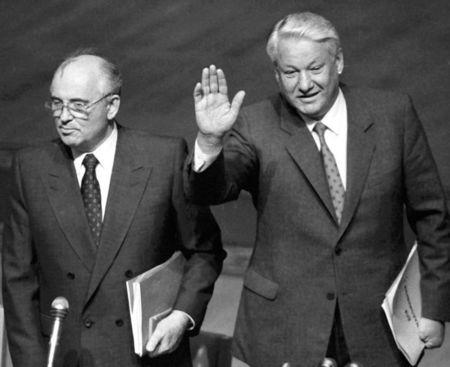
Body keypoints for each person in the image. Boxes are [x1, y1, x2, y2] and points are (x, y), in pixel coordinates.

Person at [185, 11, 450, 367]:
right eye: (290, 72)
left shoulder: (393, 115)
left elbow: (433, 218)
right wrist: (209, 141)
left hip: (377, 330)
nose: (304, 84)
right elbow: (211, 191)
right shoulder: (254, 123)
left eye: (315, 68)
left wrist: (432, 306)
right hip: (282, 329)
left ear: (338, 62)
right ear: (277, 73)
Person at [2, 50, 225, 367]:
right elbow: (17, 280)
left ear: (112, 106)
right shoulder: (31, 168)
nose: (64, 116)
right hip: (66, 357)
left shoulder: (163, 158)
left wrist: (181, 316)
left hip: (145, 356)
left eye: (78, 106)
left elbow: (204, 250)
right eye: (56, 103)